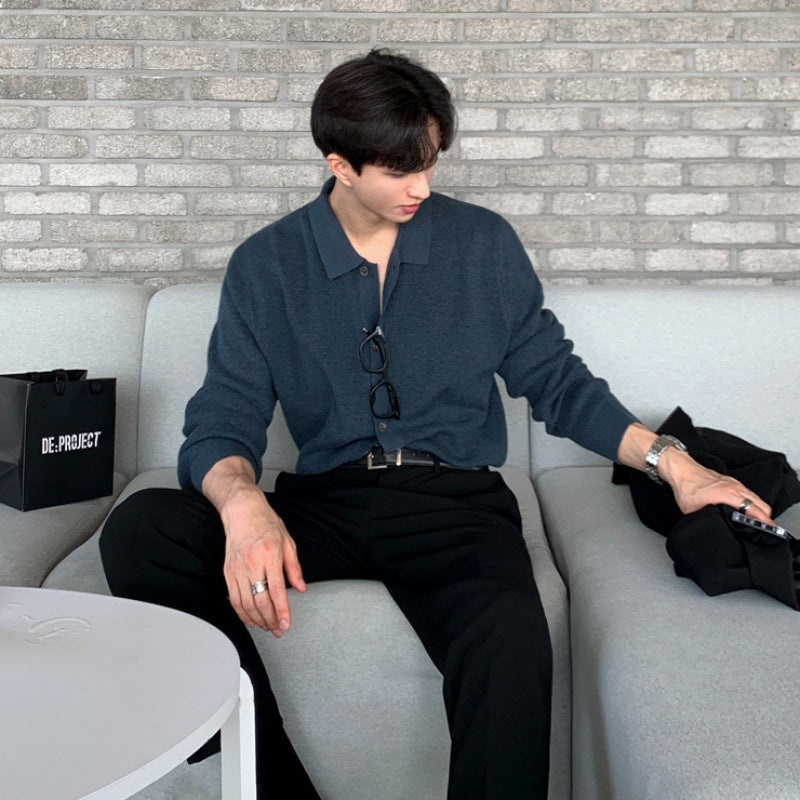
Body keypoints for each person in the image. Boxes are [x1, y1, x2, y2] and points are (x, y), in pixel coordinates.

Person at [99, 49, 774, 800]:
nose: (421, 186)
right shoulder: (268, 265)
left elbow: (558, 381)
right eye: (400, 171)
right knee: (142, 529)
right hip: (326, 501)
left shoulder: (482, 244)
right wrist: (242, 503)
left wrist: (678, 466)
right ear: (340, 165)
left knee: (512, 636)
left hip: (456, 504)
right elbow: (222, 417)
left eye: (429, 162)